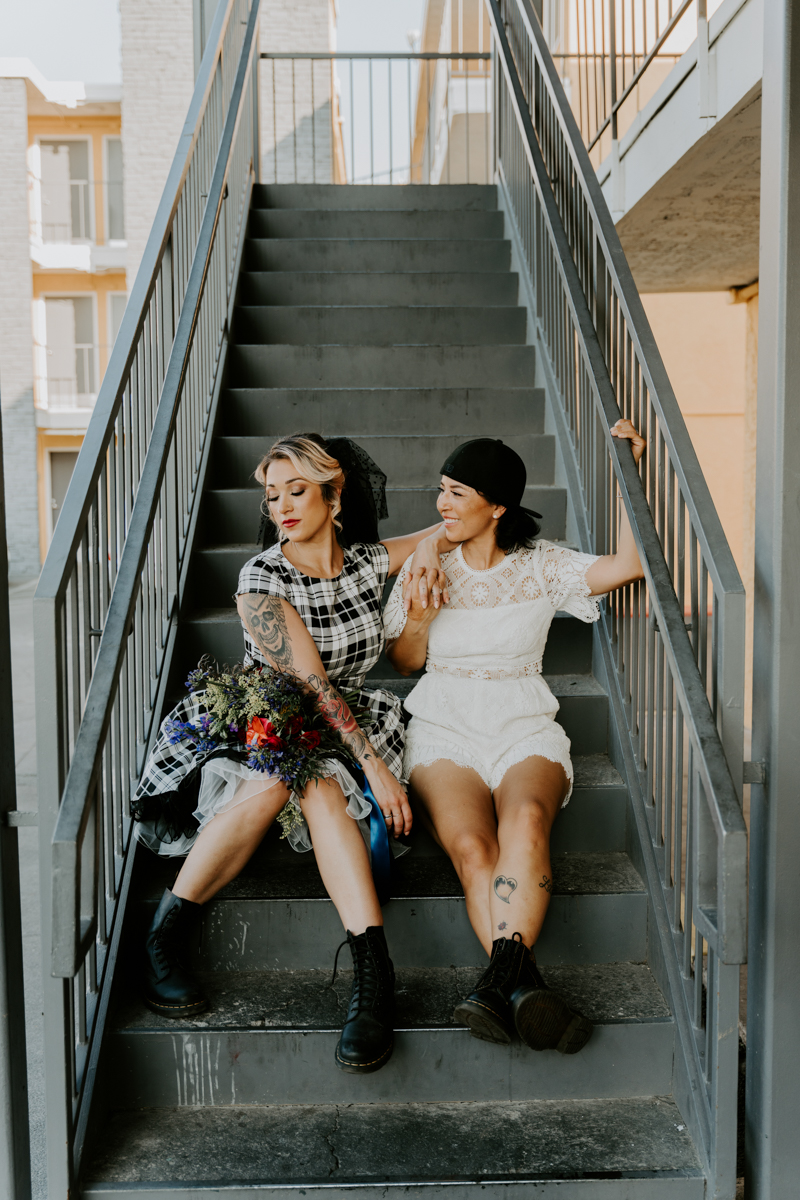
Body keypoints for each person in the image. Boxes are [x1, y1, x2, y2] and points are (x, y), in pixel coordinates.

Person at [132, 434, 445, 1074]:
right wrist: (379, 770)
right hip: (273, 715)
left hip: (347, 719)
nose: (282, 507)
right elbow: (311, 687)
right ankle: (165, 935)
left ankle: (371, 977)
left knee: (317, 778)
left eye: (296, 491)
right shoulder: (261, 578)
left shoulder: (364, 563)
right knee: (291, 773)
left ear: (335, 495)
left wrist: (433, 553)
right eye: (272, 495)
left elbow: (445, 528)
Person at [384, 421, 646, 1055]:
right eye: (440, 490)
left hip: (523, 720)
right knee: (474, 847)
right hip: (444, 722)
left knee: (527, 819)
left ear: (496, 506)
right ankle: (523, 989)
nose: (442, 504)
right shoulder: (426, 567)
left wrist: (625, 467)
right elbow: (405, 663)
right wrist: (419, 617)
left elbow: (632, 563)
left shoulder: (544, 565)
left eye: (458, 493)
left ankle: (501, 984)